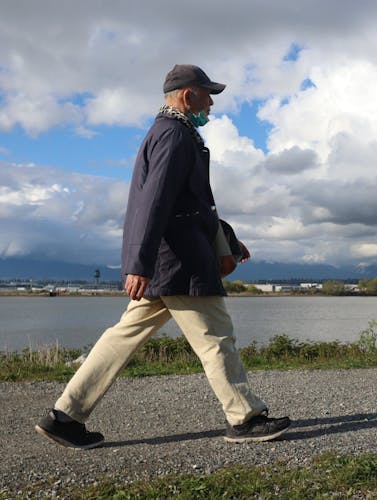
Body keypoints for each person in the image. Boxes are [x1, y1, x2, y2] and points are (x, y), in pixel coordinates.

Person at [35, 64, 290, 449]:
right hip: (181, 263)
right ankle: (245, 418)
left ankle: (64, 416)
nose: (212, 104)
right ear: (188, 96)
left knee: (123, 336)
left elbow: (190, 204)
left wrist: (227, 239)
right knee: (215, 337)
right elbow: (152, 203)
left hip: (169, 260)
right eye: (208, 95)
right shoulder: (174, 136)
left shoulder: (174, 133)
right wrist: (138, 263)